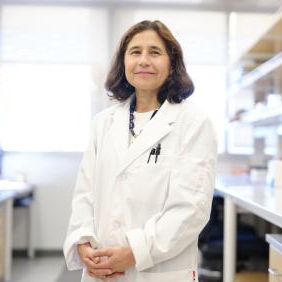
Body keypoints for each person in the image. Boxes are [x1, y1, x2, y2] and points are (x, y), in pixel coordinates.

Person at [63, 20, 217, 282]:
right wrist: (82, 240)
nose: (143, 60)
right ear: (124, 62)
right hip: (101, 269)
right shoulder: (104, 122)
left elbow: (190, 210)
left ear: (171, 64)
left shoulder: (193, 122)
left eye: (155, 52)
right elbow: (84, 194)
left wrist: (134, 252)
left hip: (159, 270)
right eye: (135, 52)